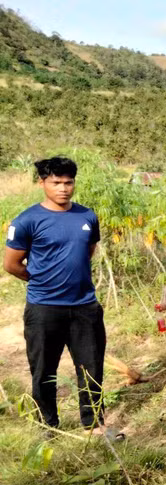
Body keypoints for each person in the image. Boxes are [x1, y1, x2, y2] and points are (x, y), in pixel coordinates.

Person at [4, 156, 116, 437]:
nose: (63, 188)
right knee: (43, 370)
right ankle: (48, 425)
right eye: (56, 183)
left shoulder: (87, 216)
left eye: (68, 182)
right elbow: (12, 264)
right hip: (44, 308)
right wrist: (42, 281)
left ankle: (93, 424)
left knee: (91, 368)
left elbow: (87, 252)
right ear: (42, 183)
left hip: (84, 306)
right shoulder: (27, 221)